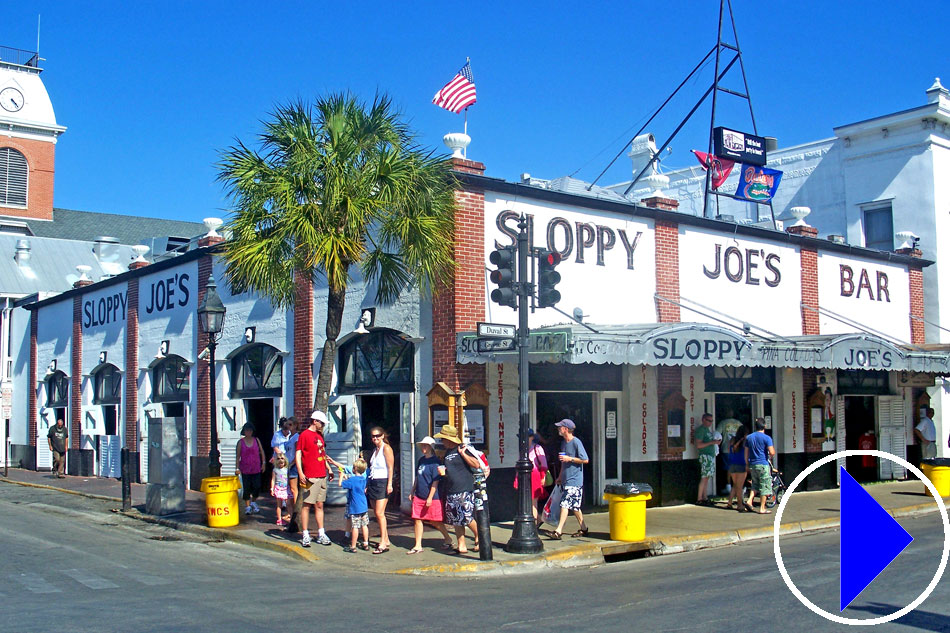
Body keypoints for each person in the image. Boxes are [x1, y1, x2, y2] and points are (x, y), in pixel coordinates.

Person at [296, 410, 341, 547]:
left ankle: (321, 533)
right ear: (315, 421)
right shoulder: (304, 435)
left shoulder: (320, 436)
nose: (322, 425)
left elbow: (322, 453)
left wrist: (328, 468)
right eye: (321, 423)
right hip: (310, 475)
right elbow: (298, 454)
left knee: (320, 504)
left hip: (321, 474)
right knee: (307, 505)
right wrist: (301, 472)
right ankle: (305, 534)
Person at [434, 423, 481, 555]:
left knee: (466, 516)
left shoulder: (463, 449)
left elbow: (476, 464)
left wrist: (463, 454)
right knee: (455, 518)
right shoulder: (447, 453)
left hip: (464, 488)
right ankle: (461, 545)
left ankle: (480, 536)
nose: (441, 441)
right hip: (451, 488)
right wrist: (444, 472)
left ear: (449, 439)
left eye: (443, 439)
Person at [407, 436, 453, 554]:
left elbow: (435, 482)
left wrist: (430, 497)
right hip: (419, 495)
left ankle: (448, 538)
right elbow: (417, 477)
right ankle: (418, 545)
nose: (424, 447)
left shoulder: (435, 462)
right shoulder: (421, 460)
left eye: (426, 445)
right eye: (423, 445)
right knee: (417, 519)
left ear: (431, 447)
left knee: (435, 521)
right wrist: (412, 491)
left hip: (431, 496)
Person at [552, 419, 589, 540]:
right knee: (575, 507)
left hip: (575, 479)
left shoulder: (576, 442)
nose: (558, 429)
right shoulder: (564, 443)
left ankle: (558, 531)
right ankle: (584, 528)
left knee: (565, 504)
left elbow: (585, 460)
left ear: (565, 429)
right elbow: (563, 462)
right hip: (567, 478)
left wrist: (570, 459)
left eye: (560, 427)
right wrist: (560, 476)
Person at [366, 426, 395, 554]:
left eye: (378, 436)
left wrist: (390, 484)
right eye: (373, 436)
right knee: (375, 512)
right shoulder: (375, 450)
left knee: (380, 513)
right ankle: (386, 538)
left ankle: (383, 542)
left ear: (383, 436)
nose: (375, 438)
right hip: (373, 481)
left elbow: (390, 467)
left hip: (382, 482)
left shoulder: (386, 448)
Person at [513, 428, 548, 525]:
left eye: (526, 437)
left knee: (533, 502)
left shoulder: (537, 448)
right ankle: (539, 520)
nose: (523, 439)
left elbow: (544, 464)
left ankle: (534, 525)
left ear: (532, 437)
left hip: (535, 476)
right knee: (527, 502)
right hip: (524, 477)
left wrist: (543, 477)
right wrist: (516, 479)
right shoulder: (522, 450)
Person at [745, 418, 776, 515]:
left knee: (755, 484)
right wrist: (771, 454)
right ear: (764, 426)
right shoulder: (767, 438)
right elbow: (772, 452)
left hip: (753, 464)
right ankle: (762, 508)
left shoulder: (749, 438)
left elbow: (746, 453)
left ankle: (749, 501)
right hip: (763, 464)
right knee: (764, 486)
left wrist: (747, 464)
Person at [339, 458, 370, 553]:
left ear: (355, 468)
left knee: (355, 526)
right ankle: (366, 543)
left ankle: (353, 546)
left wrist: (341, 476)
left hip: (355, 507)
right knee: (364, 525)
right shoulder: (363, 479)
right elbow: (354, 483)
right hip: (363, 505)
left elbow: (340, 484)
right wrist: (347, 478)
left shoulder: (352, 480)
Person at [235, 422, 266, 515]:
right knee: (247, 488)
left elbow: (262, 451)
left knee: (257, 486)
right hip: (245, 468)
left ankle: (254, 501)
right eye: (247, 430)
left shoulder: (256, 440)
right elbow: (238, 456)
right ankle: (247, 506)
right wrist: (237, 468)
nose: (248, 432)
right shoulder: (241, 442)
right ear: (244, 431)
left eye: (250, 430)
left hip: (256, 467)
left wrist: (263, 463)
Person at [694, 413, 721, 506]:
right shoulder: (701, 430)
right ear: (703, 420)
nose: (710, 423)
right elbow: (698, 445)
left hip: (710, 456)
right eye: (708, 420)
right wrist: (712, 442)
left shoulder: (707, 430)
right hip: (705, 456)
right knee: (704, 477)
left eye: (711, 421)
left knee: (707, 478)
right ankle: (699, 498)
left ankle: (705, 497)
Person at [726, 425, 750, 512]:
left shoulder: (732, 440)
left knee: (735, 485)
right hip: (741, 465)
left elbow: (729, 450)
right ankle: (740, 505)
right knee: (739, 487)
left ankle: (729, 502)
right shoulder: (745, 442)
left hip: (732, 465)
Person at [270, 454, 290, 526]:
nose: (280, 460)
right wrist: (272, 488)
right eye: (278, 459)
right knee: (279, 505)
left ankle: (289, 516)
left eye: (282, 458)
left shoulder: (287, 469)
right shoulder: (275, 470)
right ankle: (279, 519)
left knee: (288, 503)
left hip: (286, 488)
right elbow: (273, 479)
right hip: (279, 488)